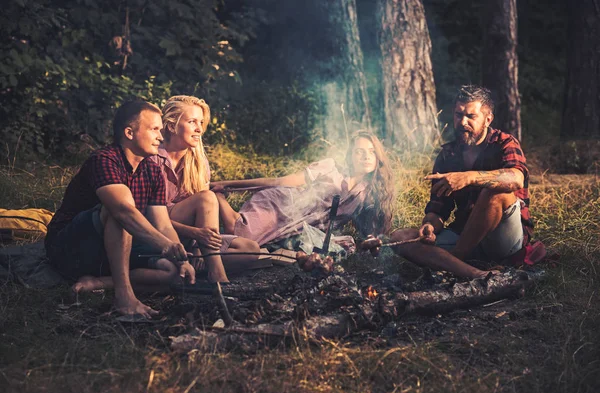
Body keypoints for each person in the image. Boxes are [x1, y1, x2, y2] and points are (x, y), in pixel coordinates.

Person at [45, 100, 222, 318]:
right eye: (154, 129)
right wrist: (165, 245)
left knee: (175, 272)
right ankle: (124, 297)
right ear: (129, 132)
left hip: (112, 252)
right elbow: (122, 212)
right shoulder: (104, 159)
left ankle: (99, 282)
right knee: (119, 210)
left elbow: (163, 223)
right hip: (72, 249)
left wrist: (181, 259)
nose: (160, 136)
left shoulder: (152, 170)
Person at [365, 85, 533, 279]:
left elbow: (516, 179)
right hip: (464, 233)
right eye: (458, 114)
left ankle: (453, 261)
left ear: (488, 119)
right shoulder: (448, 155)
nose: (463, 122)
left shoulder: (504, 143)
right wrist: (429, 226)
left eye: (471, 116)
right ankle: (475, 273)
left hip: (503, 239)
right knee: (401, 237)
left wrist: (469, 177)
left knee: (496, 190)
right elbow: (438, 209)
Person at [212, 131, 395, 248]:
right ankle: (217, 197)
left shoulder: (366, 194)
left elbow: (369, 231)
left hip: (298, 231)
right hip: (280, 207)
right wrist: (229, 185)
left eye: (372, 151)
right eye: (359, 151)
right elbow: (281, 181)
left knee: (243, 248)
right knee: (239, 232)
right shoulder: (330, 167)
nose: (366, 157)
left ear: (378, 156)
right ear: (351, 156)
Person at [150, 95, 261, 272]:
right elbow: (149, 218)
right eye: (192, 122)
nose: (199, 129)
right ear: (171, 126)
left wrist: (197, 245)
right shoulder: (153, 158)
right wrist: (195, 234)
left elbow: (205, 216)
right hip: (159, 233)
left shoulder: (198, 161)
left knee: (251, 249)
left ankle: (196, 264)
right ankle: (216, 276)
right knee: (207, 198)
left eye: (201, 123)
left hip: (192, 239)